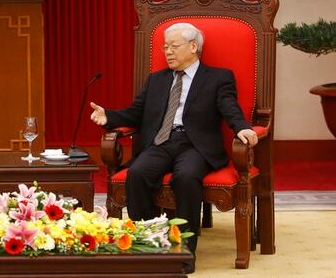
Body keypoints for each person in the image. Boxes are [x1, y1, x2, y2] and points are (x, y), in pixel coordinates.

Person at [89, 22, 258, 274]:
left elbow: (229, 106)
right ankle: (149, 244)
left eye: (174, 46)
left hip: (195, 146)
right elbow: (137, 112)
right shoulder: (157, 79)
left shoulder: (217, 77)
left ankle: (184, 249)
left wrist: (242, 127)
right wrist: (109, 117)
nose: (167, 51)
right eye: (165, 46)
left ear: (193, 47)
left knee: (187, 177)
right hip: (161, 142)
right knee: (138, 174)